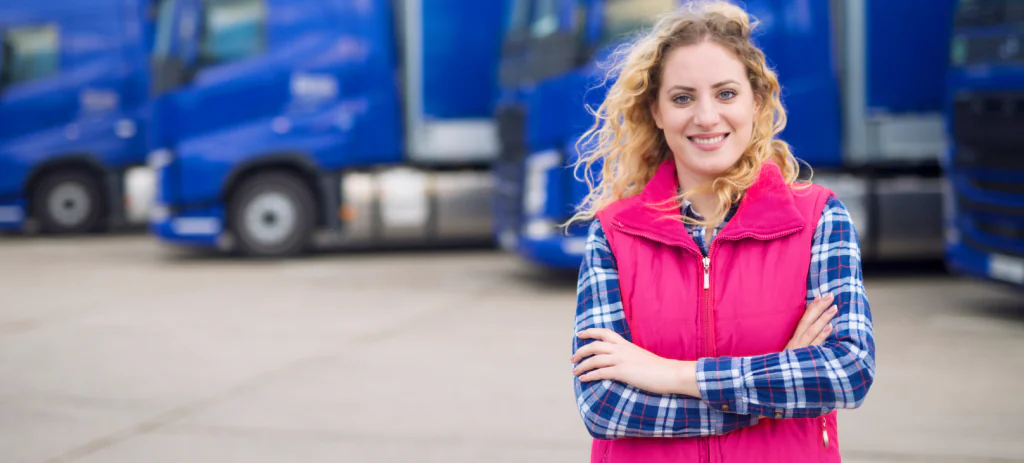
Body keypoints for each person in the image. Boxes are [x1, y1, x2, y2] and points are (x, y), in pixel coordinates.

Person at [567, 2, 876, 462]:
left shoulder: (817, 219)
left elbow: (846, 371)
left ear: (757, 99)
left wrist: (668, 374)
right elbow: (605, 408)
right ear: (655, 110)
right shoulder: (614, 235)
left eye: (726, 93)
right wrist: (772, 389)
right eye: (683, 97)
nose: (707, 117)